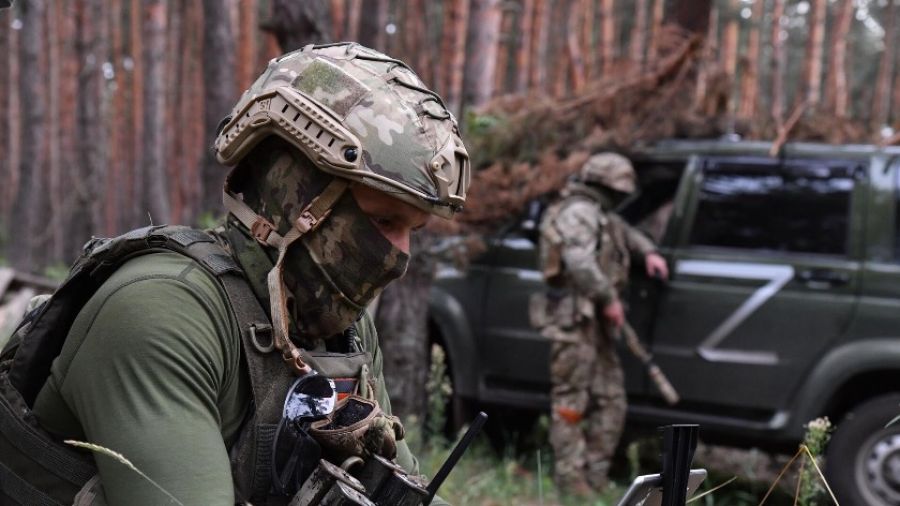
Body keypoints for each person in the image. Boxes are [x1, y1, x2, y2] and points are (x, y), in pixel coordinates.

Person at [0, 43, 468, 505]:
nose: (398, 257)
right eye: (384, 221)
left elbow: (403, 490)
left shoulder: (341, 332)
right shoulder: (162, 312)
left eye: (414, 230)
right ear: (294, 198)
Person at [531, 152, 668, 494]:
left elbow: (625, 233)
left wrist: (648, 251)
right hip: (575, 321)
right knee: (570, 401)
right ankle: (570, 480)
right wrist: (608, 299)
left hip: (597, 326)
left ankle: (595, 476)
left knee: (611, 401)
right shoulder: (579, 212)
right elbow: (577, 260)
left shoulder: (600, 214)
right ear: (605, 186)